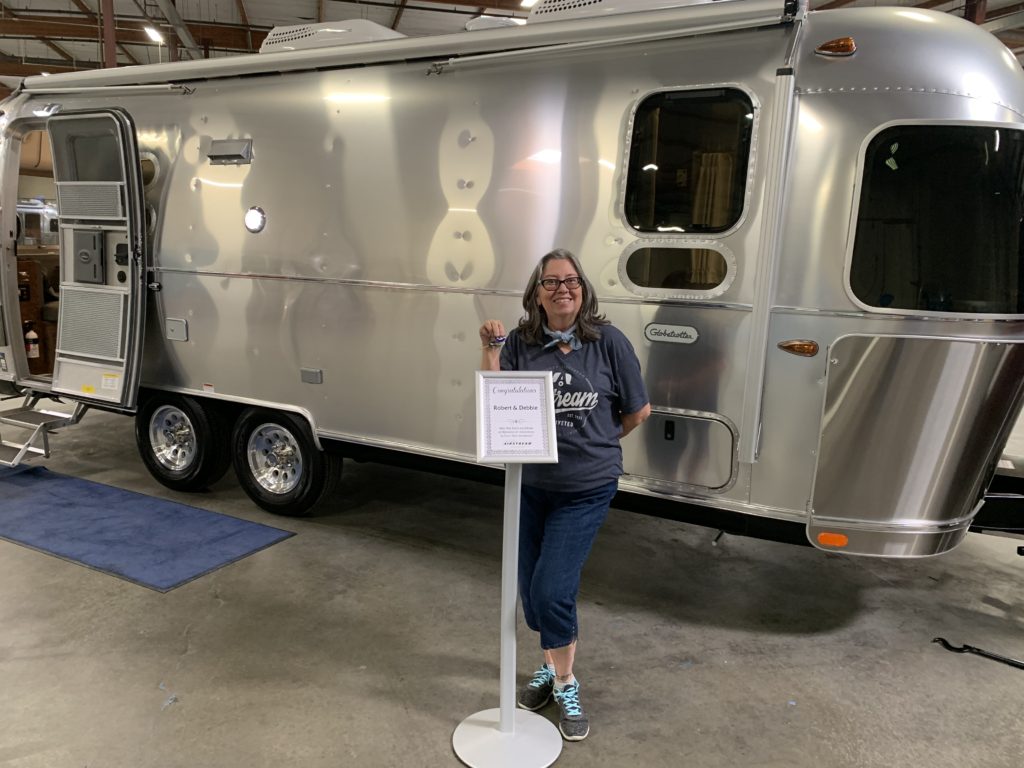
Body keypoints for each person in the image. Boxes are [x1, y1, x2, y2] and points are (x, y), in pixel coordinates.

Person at [478, 248, 651, 741]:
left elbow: (637, 411)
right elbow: (497, 401)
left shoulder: (608, 342)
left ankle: (566, 682)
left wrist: (596, 443)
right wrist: (489, 350)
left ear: (583, 289)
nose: (562, 289)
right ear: (537, 293)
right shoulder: (521, 342)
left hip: (585, 489)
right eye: (551, 282)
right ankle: (551, 664)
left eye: (571, 281)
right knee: (532, 593)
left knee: (552, 589)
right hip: (529, 487)